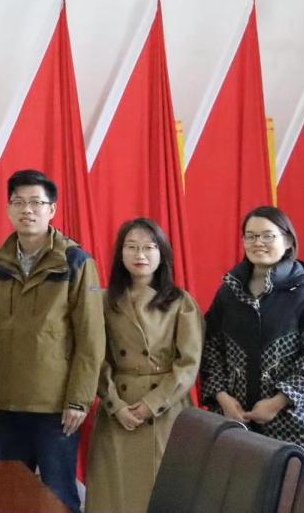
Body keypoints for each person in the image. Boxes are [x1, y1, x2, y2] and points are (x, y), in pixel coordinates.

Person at [0, 169, 104, 513]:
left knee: (58, 495)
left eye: (36, 202)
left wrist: (78, 400)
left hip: (56, 408)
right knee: (9, 497)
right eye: (18, 202)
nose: (27, 210)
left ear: (52, 209)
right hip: (7, 404)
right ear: (8, 209)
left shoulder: (75, 261)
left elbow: (91, 338)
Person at [85, 218, 203, 513]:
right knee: (113, 495)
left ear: (162, 253)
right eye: (132, 247)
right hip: (118, 409)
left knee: (163, 494)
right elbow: (95, 358)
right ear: (120, 254)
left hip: (165, 409)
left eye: (149, 247)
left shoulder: (180, 302)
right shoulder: (103, 301)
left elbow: (188, 364)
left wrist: (151, 404)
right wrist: (115, 405)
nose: (140, 255)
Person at [202, 205, 304, 446]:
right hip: (234, 420)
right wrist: (222, 397)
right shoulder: (229, 291)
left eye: (267, 236)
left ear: (288, 241)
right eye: (250, 236)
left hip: (292, 424)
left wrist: (278, 402)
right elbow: (210, 348)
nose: (258, 242)